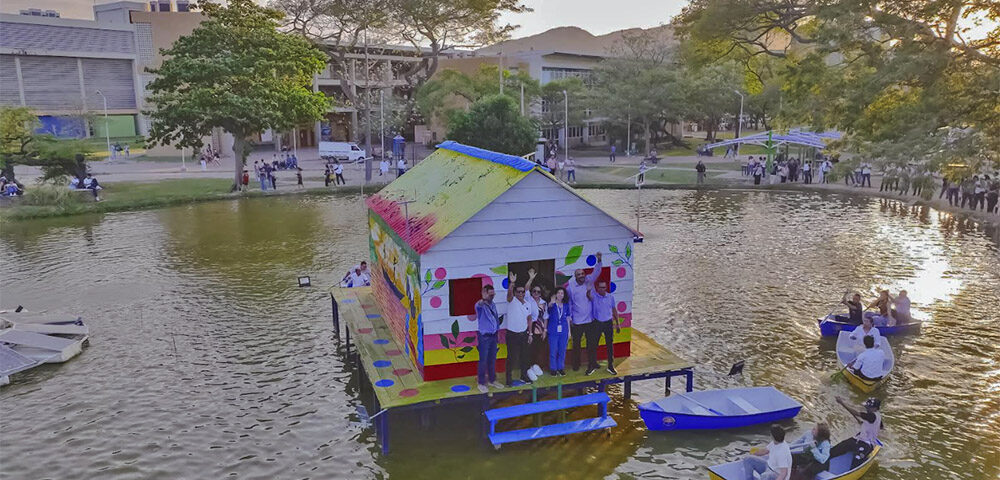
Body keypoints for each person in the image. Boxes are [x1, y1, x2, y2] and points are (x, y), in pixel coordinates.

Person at [566, 251, 602, 374]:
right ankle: (576, 364)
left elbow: (596, 272)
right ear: (575, 276)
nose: (581, 275)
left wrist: (599, 261)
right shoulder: (570, 288)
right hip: (577, 321)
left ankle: (593, 362)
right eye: (578, 274)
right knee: (576, 345)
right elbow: (569, 303)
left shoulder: (589, 281)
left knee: (591, 343)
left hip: (590, 320)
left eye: (582, 273)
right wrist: (570, 319)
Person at [830, 396, 882, 469]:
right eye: (866, 407)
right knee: (838, 448)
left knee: (856, 461)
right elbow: (878, 426)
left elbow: (856, 413)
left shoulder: (872, 416)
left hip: (867, 444)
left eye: (869, 407)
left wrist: (842, 403)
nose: (866, 408)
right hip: (858, 439)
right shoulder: (877, 416)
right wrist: (864, 424)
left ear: (875, 408)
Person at [504, 272, 534, 386]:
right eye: (518, 291)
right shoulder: (512, 301)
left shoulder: (527, 303)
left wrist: (530, 334)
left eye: (522, 292)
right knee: (511, 358)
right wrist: (512, 283)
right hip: (512, 334)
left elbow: (529, 319)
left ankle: (523, 376)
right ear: (515, 292)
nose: (521, 293)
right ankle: (508, 379)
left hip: (523, 334)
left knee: (524, 357)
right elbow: (509, 294)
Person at [474, 285, 503, 393]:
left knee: (492, 359)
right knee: (483, 360)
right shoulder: (480, 305)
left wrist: (497, 332)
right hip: (484, 336)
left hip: (493, 335)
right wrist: (484, 298)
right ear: (485, 293)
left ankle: (492, 380)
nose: (492, 296)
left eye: (493, 294)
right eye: (490, 294)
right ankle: (481, 382)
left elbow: (495, 318)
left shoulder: (493, 304)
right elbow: (479, 304)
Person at [588, 280, 620, 375]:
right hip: (597, 323)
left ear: (606, 288)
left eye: (604, 287)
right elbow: (588, 296)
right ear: (597, 288)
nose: (602, 289)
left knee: (609, 345)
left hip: (608, 323)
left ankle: (610, 366)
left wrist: (618, 323)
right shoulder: (594, 296)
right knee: (594, 345)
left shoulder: (610, 297)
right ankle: (592, 365)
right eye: (600, 287)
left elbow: (614, 310)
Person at [524, 269, 547, 378]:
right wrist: (531, 278)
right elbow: (526, 288)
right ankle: (528, 368)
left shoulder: (543, 303)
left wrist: (544, 330)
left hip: (540, 327)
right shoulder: (529, 299)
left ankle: (534, 365)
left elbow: (545, 317)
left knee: (537, 348)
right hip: (531, 326)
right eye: (534, 291)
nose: (536, 293)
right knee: (529, 348)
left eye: (538, 292)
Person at [546, 287, 570, 376]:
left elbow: (568, 318)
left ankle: (560, 368)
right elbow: (548, 308)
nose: (560, 295)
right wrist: (551, 302)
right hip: (553, 331)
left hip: (564, 331)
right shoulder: (552, 304)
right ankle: (553, 368)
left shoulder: (566, 305)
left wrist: (569, 332)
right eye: (559, 293)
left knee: (562, 350)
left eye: (562, 293)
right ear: (555, 294)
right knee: (553, 350)